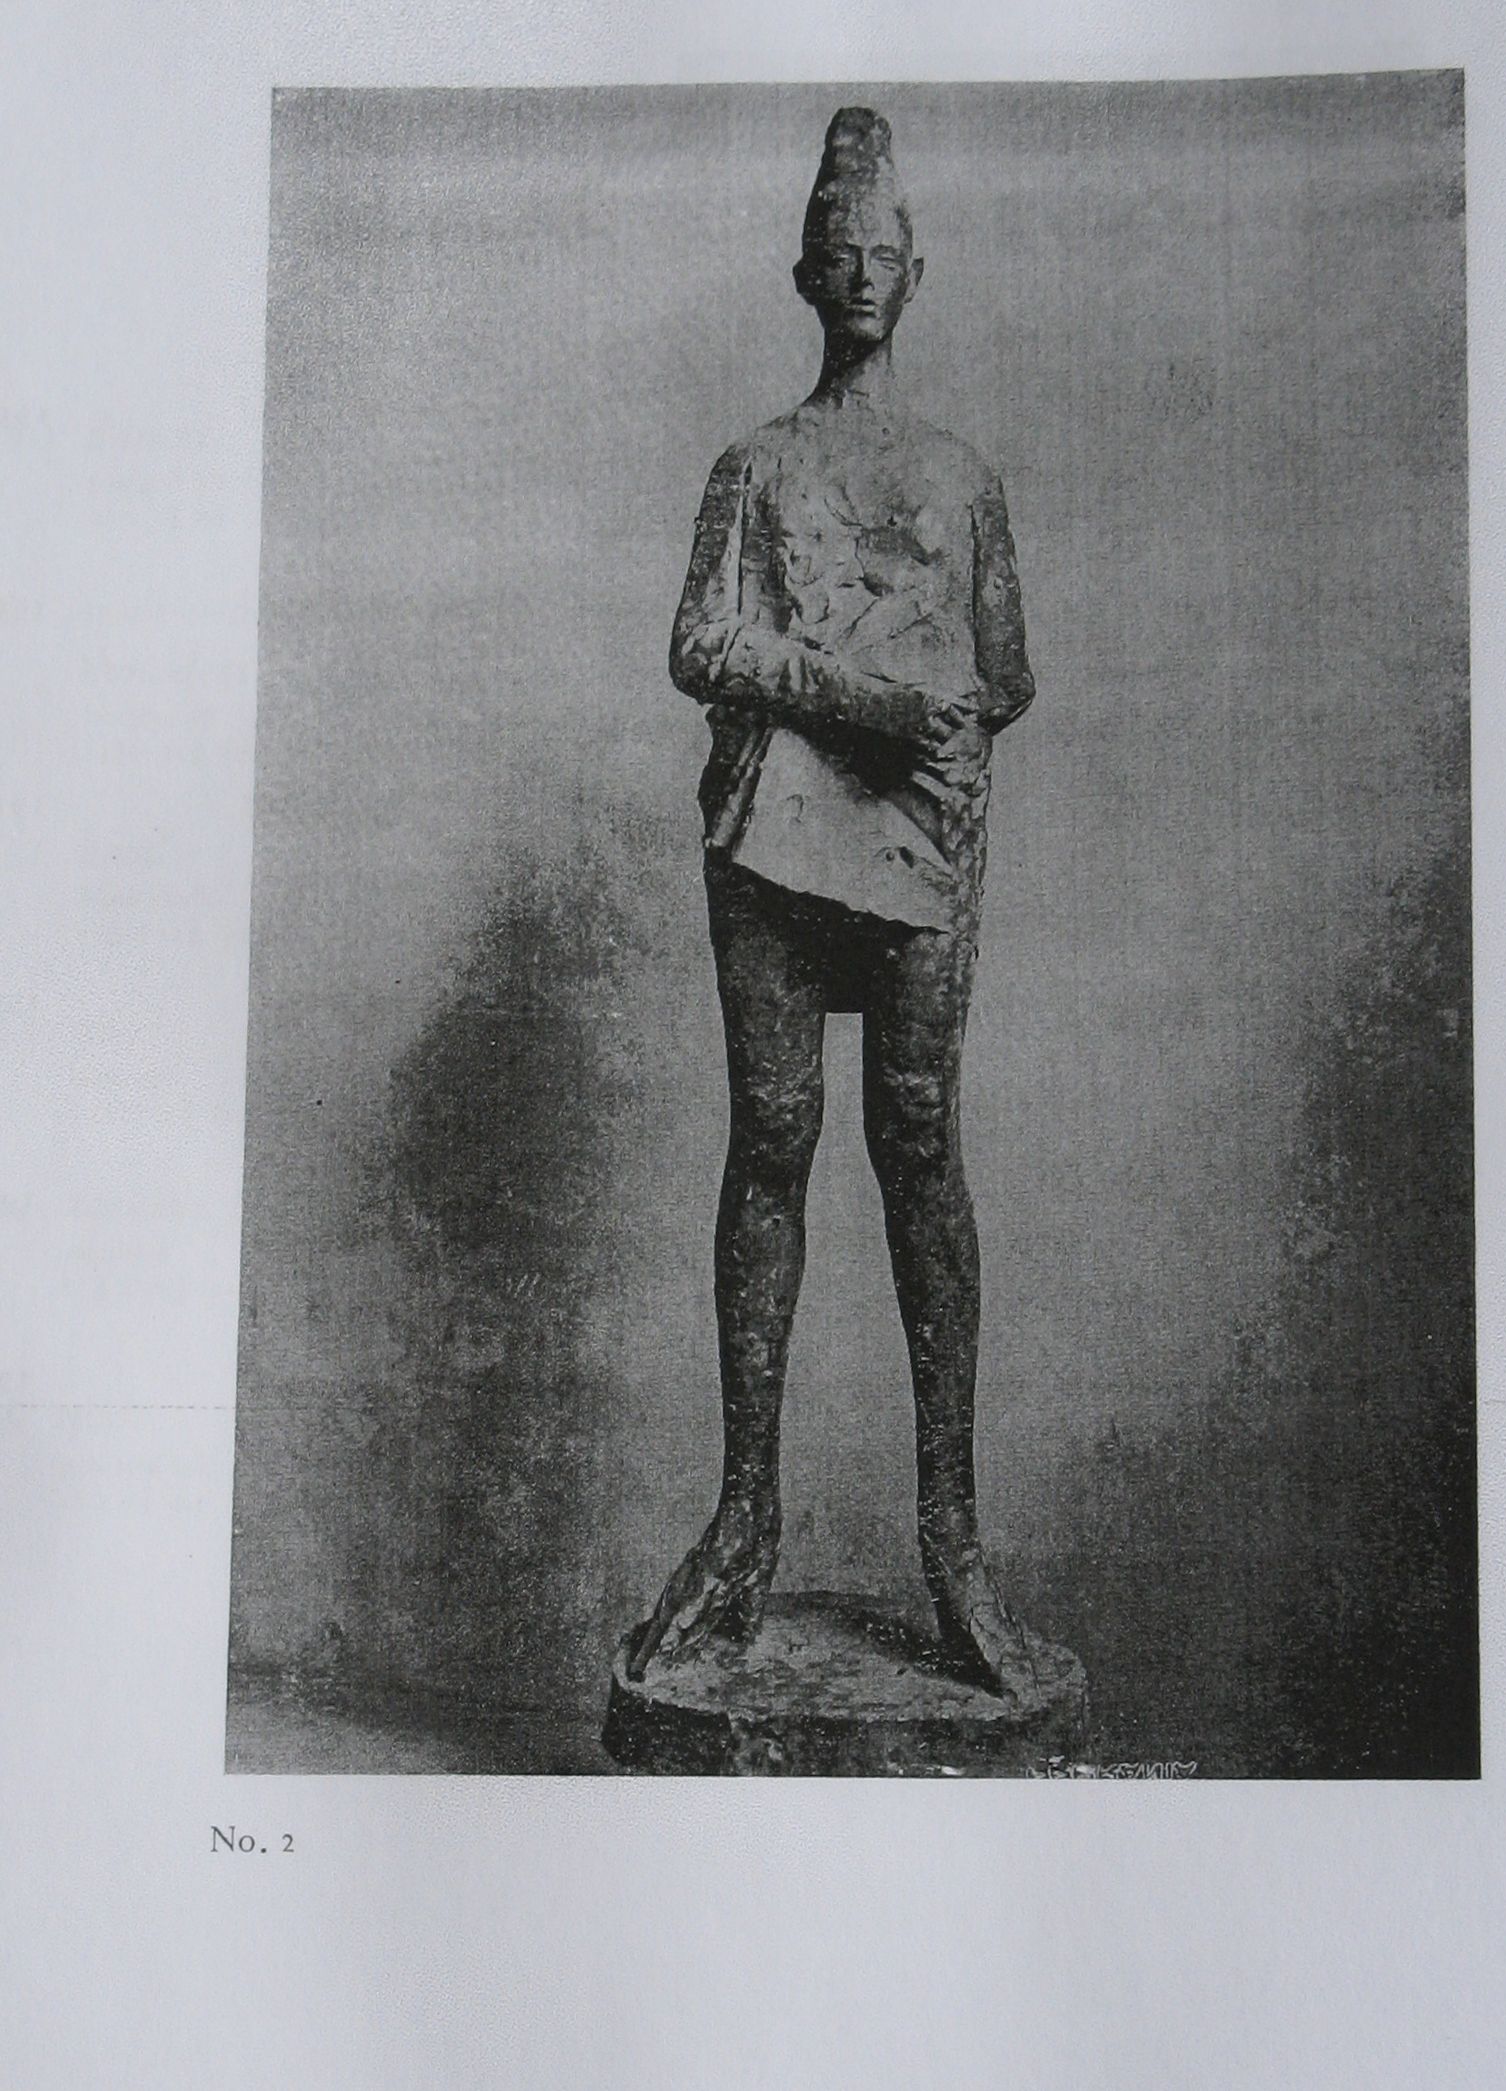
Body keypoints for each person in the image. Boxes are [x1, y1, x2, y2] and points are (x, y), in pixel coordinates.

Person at [627, 107, 1039, 1696]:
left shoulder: (956, 477)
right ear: (804, 275)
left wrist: (917, 723)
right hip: (771, 839)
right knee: (774, 1143)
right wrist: (862, 696)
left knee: (918, 1145)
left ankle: (952, 1544)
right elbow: (698, 644)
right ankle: (744, 1524)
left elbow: (1003, 676)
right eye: (837, 255)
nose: (859, 275)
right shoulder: (757, 466)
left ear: (911, 276)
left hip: (916, 844)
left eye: (881, 256)